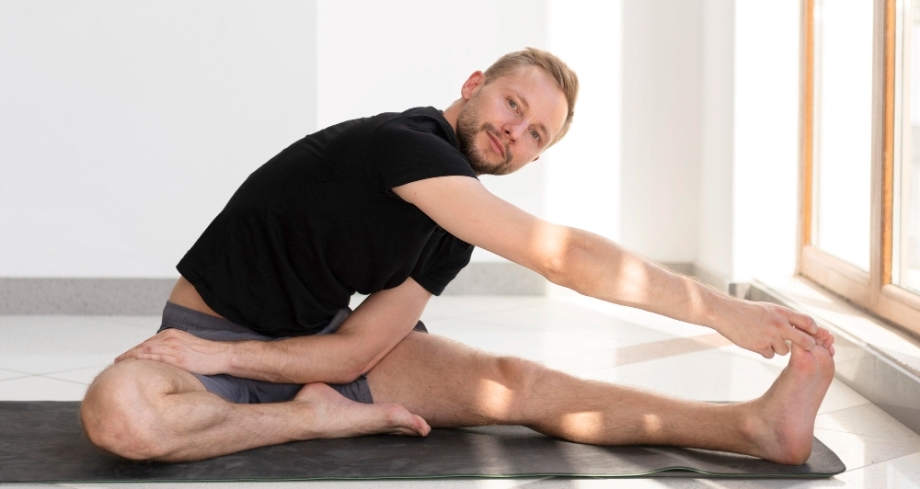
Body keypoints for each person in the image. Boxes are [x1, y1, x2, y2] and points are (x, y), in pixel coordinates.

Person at [80, 48, 836, 465]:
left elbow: (355, 354)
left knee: (519, 383)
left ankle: (750, 427)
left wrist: (262, 372)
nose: (517, 132)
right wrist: (723, 311)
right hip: (204, 335)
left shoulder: (452, 225)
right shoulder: (400, 145)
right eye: (514, 105)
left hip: (312, 359)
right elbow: (563, 255)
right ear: (473, 85)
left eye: (538, 133)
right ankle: (312, 423)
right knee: (122, 412)